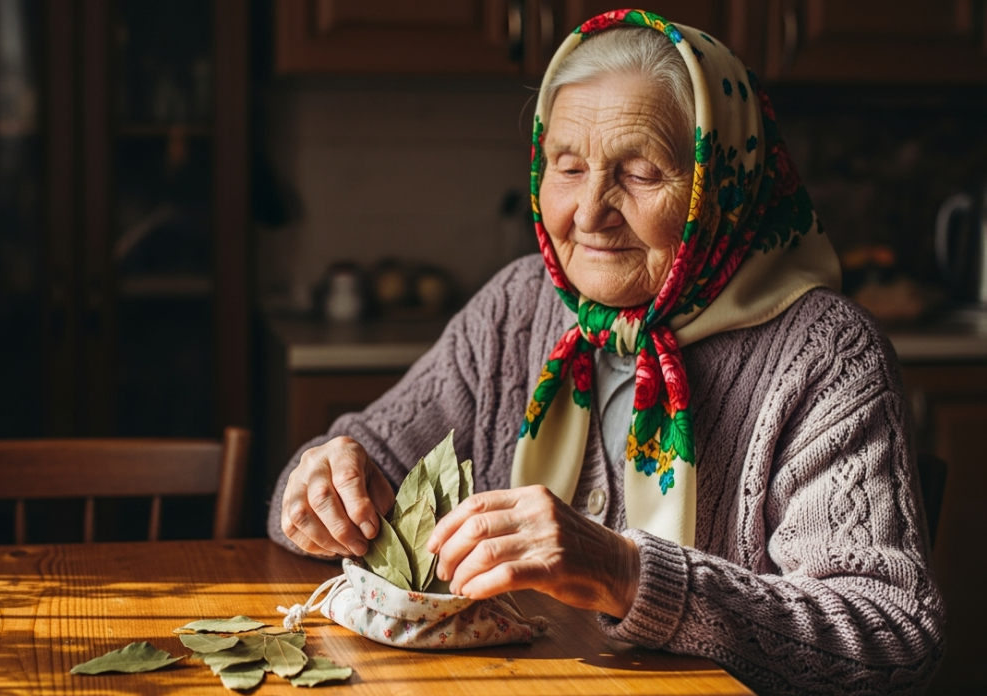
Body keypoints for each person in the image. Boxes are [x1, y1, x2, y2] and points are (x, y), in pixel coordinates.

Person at [267, 10, 943, 695]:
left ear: (723, 183)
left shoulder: (826, 352)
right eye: (566, 167)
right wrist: (318, 485)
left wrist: (624, 573)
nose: (590, 210)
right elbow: (361, 456)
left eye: (642, 173)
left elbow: (891, 635)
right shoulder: (520, 304)